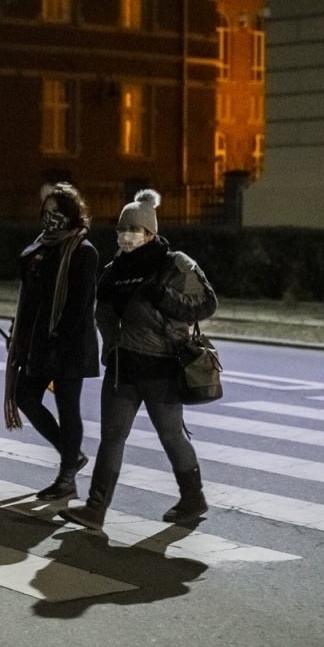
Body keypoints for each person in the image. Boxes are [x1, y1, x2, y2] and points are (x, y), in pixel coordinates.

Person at [59, 189, 216, 531]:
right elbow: (101, 312)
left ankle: (193, 498)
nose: (126, 236)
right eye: (121, 230)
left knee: (171, 436)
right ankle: (95, 509)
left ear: (150, 232)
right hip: (123, 368)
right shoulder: (115, 270)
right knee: (112, 438)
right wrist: (111, 346)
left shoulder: (175, 263)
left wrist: (162, 295)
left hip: (162, 365)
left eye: (134, 230)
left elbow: (204, 304)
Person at [4, 183, 100, 500]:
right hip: (38, 342)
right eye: (46, 212)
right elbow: (29, 298)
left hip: (70, 345)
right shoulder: (38, 250)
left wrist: (59, 342)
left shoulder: (83, 252)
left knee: (67, 408)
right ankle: (71, 455)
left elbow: (79, 306)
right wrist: (19, 335)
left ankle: (67, 478)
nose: (50, 219)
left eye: (57, 213)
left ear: (71, 215)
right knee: (24, 396)